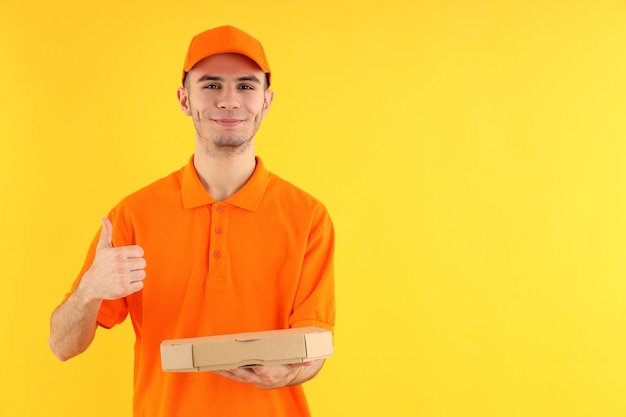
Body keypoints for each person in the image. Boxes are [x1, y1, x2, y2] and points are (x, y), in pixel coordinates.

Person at [48, 25, 335, 417]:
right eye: (212, 85)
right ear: (185, 99)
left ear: (267, 101)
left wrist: (286, 374)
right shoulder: (133, 214)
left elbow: (316, 343)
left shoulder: (308, 217)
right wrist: (88, 291)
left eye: (246, 86)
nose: (230, 101)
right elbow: (62, 346)